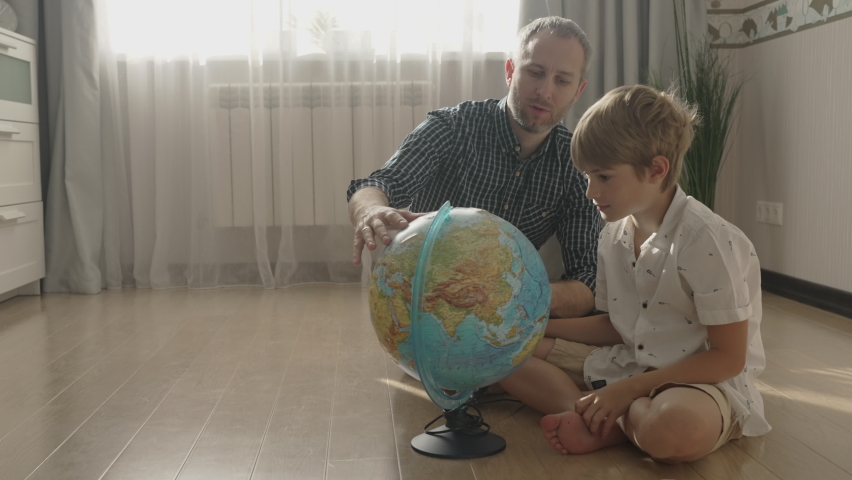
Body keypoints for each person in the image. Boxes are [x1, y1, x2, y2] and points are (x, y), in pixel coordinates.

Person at [499, 84, 771, 463]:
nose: (590, 191)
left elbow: (728, 359)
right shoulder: (613, 235)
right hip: (629, 364)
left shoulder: (706, 239)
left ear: (656, 169)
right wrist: (536, 326)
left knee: (675, 430)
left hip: (698, 383)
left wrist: (628, 391)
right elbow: (618, 325)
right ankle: (603, 416)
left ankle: (606, 416)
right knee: (500, 352)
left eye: (604, 176)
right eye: (587, 176)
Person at [347, 17, 601, 319]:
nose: (545, 92)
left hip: (499, 315)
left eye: (562, 81)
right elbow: (379, 185)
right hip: (425, 307)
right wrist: (369, 210)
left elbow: (588, 280)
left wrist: (518, 294)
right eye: (535, 73)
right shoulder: (452, 127)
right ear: (510, 71)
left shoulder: (576, 166)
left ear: (578, 91)